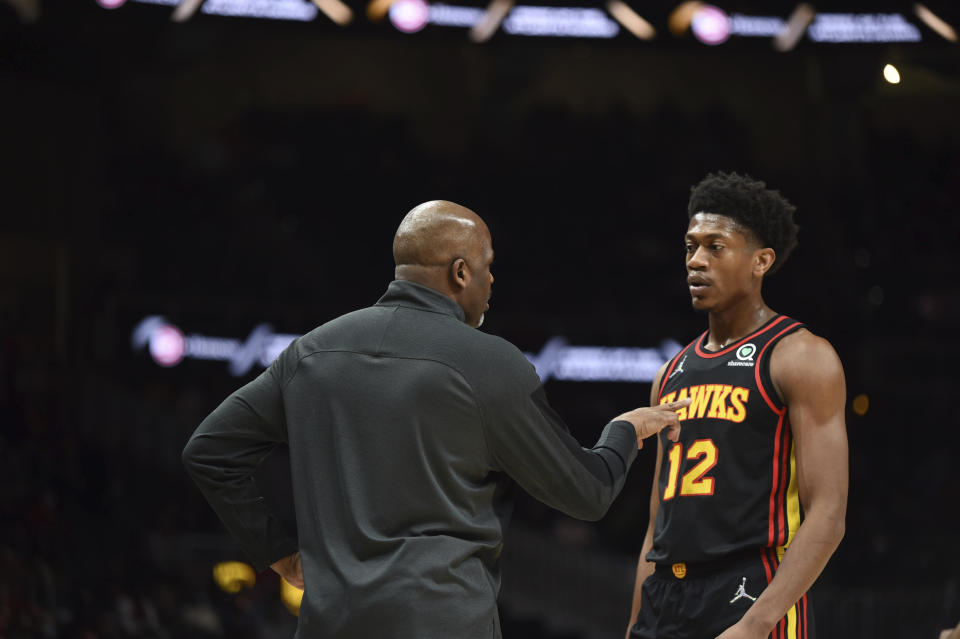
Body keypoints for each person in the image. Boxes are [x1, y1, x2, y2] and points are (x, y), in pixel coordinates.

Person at [182, 200, 690, 639]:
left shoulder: (311, 352)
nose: (493, 279)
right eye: (488, 265)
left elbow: (208, 450)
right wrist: (624, 431)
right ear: (460, 272)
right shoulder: (490, 363)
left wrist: (280, 554)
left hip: (327, 621)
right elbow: (587, 493)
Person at [625, 173, 849, 639]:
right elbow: (657, 526)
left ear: (761, 261)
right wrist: (634, 625)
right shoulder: (670, 373)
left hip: (750, 589)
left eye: (715, 247)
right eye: (690, 247)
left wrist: (755, 623)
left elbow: (828, 514)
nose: (696, 261)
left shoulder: (800, 356)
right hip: (667, 595)